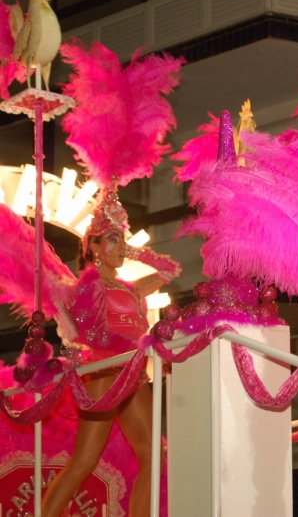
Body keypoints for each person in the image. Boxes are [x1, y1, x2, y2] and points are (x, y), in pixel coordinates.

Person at [42, 191, 180, 517]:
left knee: (152, 455)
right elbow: (92, 334)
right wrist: (128, 348)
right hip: (105, 372)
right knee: (85, 461)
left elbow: (170, 270)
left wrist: (128, 248)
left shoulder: (130, 289)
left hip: (133, 374)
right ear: (91, 247)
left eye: (122, 241)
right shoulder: (87, 285)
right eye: (111, 241)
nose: (119, 248)